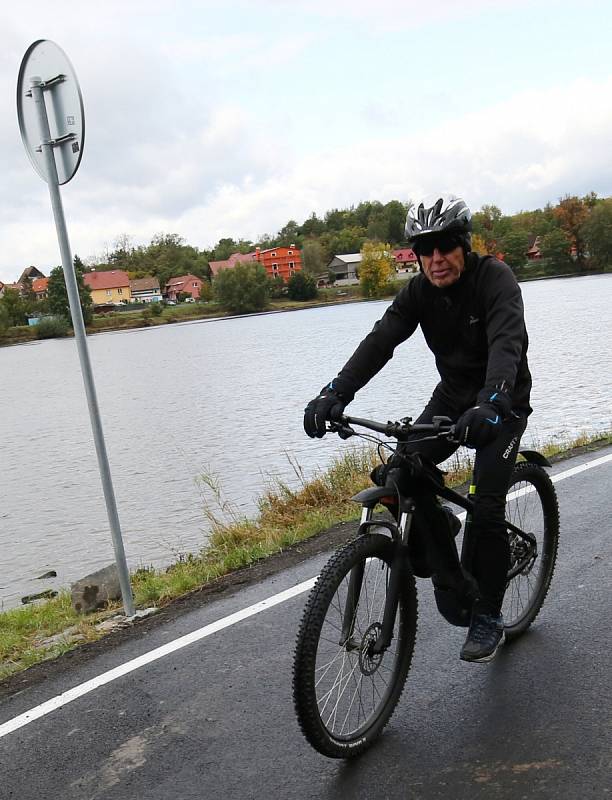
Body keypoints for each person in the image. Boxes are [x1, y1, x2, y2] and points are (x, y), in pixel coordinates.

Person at [303, 195, 532, 663]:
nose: (435, 259)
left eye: (445, 247)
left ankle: (487, 613)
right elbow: (381, 340)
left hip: (500, 401)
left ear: (464, 246)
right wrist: (334, 393)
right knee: (400, 472)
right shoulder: (419, 292)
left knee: (487, 509)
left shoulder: (495, 279)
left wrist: (493, 401)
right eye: (425, 250)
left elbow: (507, 343)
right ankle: (439, 531)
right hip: (452, 398)